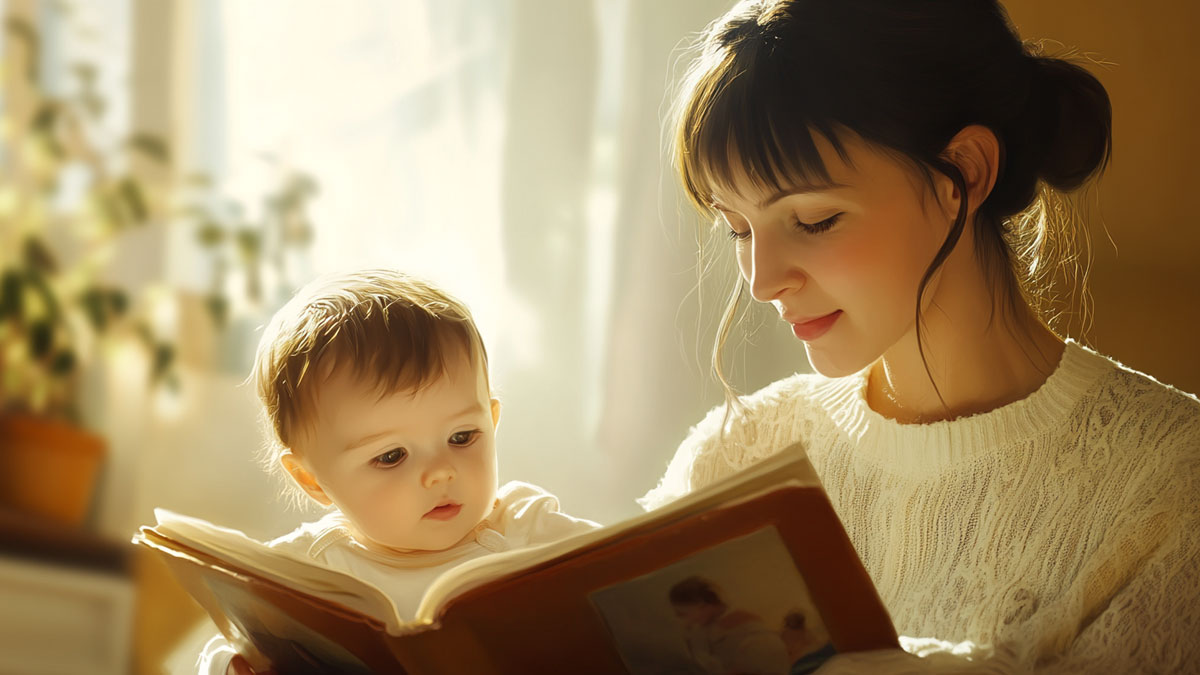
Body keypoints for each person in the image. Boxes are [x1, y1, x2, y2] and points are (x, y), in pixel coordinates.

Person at [640, 0, 1200, 672]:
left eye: (814, 220)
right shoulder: (733, 462)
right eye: (738, 228)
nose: (762, 280)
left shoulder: (1171, 486)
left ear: (965, 171)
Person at [198, 269, 600, 675]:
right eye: (391, 456)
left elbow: (636, 592)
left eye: (462, 437)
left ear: (491, 421)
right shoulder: (302, 577)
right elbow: (223, 655)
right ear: (312, 480)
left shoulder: (531, 532)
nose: (441, 472)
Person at [669, 576, 792, 675]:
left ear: (703, 605)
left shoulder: (753, 635)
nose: (684, 621)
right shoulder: (708, 630)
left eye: (682, 614)